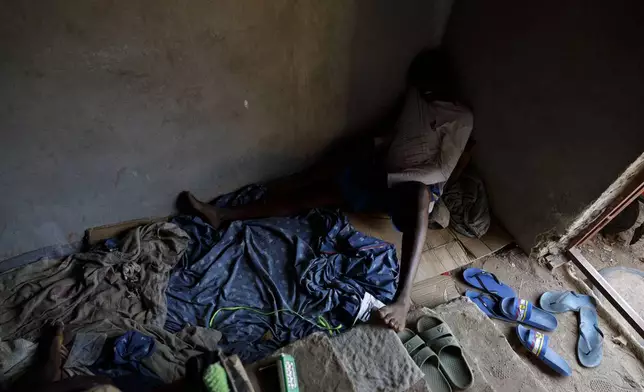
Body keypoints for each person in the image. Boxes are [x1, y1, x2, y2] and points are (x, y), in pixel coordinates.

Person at [179, 50, 473, 332]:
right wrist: (371, 147)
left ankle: (402, 298)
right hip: (383, 174)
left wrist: (394, 177)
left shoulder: (460, 118)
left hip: (410, 189)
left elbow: (442, 171)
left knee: (420, 195)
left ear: (444, 83)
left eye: (429, 89)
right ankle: (224, 214)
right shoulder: (417, 95)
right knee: (321, 192)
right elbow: (398, 134)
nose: (424, 94)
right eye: (421, 89)